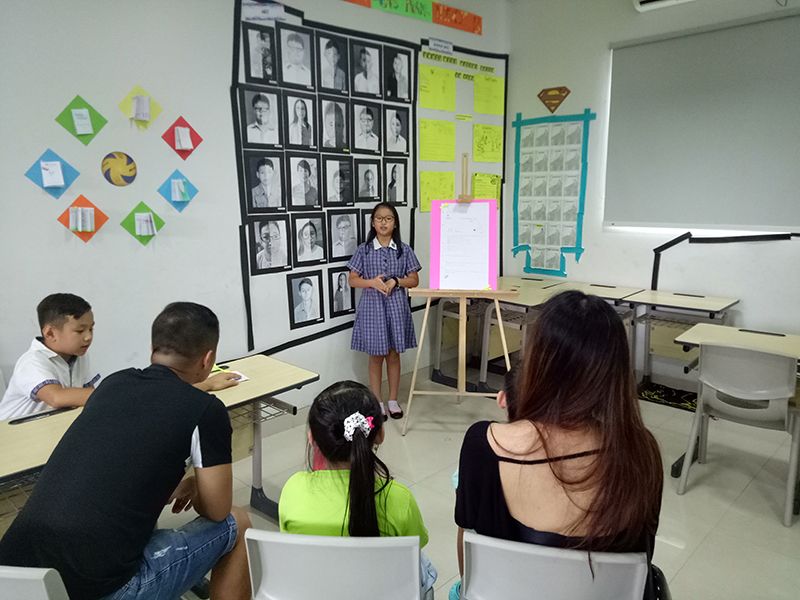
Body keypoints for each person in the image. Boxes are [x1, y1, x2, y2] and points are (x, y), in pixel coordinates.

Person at [0, 302, 251, 600]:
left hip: (16, 581)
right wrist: (197, 485)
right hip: (100, 590)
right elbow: (216, 510)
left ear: (152, 349)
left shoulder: (114, 384)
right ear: (208, 359)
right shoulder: (207, 411)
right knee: (237, 521)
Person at [450, 291, 663, 600]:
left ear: (537, 361)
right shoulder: (643, 452)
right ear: (614, 371)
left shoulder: (483, 446)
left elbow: (471, 572)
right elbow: (642, 557)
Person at [279, 381, 436, 595]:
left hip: (317, 591)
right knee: (424, 566)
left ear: (311, 437)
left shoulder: (293, 489)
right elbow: (416, 546)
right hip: (382, 592)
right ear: (380, 434)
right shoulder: (399, 499)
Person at [347, 202, 421, 420]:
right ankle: (377, 402)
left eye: (388, 218)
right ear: (373, 222)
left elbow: (414, 279)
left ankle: (393, 400)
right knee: (376, 356)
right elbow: (352, 280)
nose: (383, 222)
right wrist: (371, 282)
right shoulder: (364, 249)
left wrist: (396, 281)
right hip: (372, 309)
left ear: (395, 223)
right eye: (379, 218)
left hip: (396, 307)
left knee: (394, 354)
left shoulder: (404, 250)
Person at [0, 293, 99, 420]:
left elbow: (87, 395)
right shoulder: (32, 362)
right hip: (11, 430)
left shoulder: (80, 356)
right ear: (50, 333)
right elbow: (56, 397)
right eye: (80, 331)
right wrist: (110, 394)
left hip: (50, 425)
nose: (88, 337)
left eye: (91, 329)